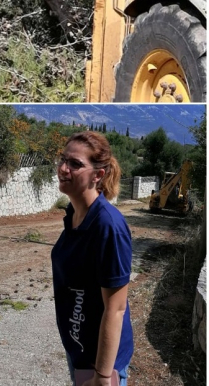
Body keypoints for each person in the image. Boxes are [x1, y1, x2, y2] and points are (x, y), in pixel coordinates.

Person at [51, 131, 132, 386]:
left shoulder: (108, 225)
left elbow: (116, 308)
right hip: (79, 350)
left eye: (75, 164)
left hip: (101, 363)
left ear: (98, 176)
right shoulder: (74, 215)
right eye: (63, 160)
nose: (64, 168)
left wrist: (103, 376)